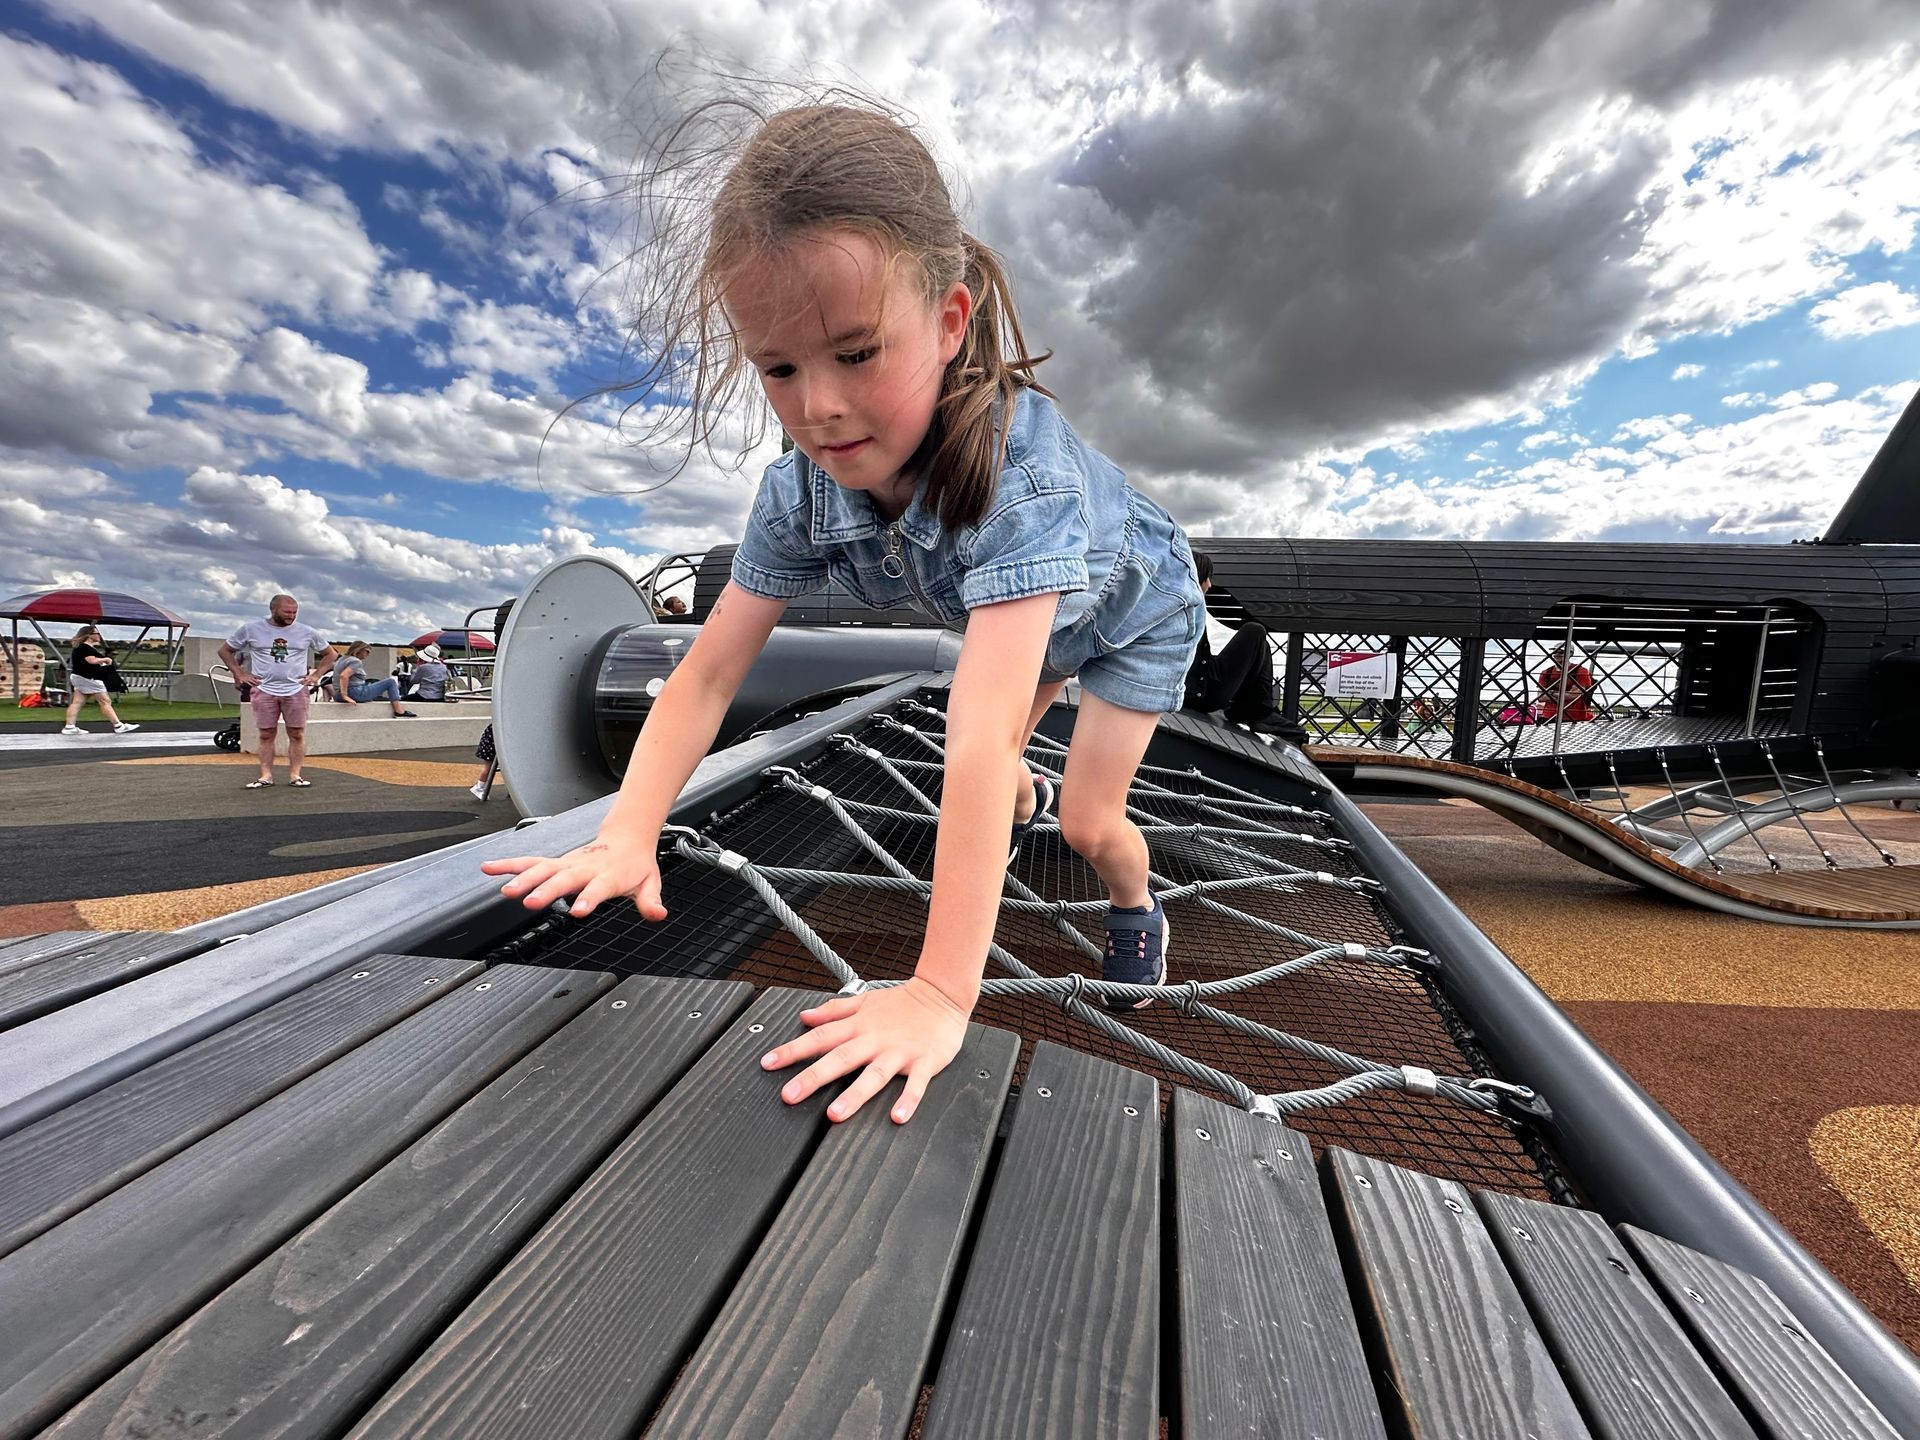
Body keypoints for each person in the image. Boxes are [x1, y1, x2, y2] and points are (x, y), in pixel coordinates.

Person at [483, 100, 1204, 1127]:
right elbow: (707, 672)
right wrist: (628, 829)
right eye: (778, 367)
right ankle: (1028, 805)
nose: (817, 404)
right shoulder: (800, 494)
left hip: (1133, 612)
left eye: (858, 353)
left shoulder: (1018, 483)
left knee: (1087, 818)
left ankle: (1138, 911)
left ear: (950, 323)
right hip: (1043, 618)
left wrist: (943, 993)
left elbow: (983, 728)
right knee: (996, 782)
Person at [219, 593, 335, 789]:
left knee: (297, 733)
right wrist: (239, 674)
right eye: (287, 612)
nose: (291, 616)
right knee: (266, 733)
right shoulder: (251, 629)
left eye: (294, 612)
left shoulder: (306, 631)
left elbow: (330, 654)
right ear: (273, 610)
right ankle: (266, 775)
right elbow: (225, 651)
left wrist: (315, 676)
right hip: (264, 689)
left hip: (295, 689)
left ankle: (295, 775)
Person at [1181, 552, 1297, 739]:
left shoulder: (1176, 605)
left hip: (1196, 687)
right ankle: (1258, 713)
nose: (1209, 585)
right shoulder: (1191, 605)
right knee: (1254, 630)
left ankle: (1256, 711)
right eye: (1206, 577)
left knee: (1261, 645)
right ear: (1195, 577)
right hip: (1201, 695)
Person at [60, 625, 139, 735]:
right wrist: (105, 659)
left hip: (78, 677)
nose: (99, 636)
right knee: (105, 701)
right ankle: (118, 725)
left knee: (77, 702)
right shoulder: (85, 648)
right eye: (96, 633)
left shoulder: (81, 647)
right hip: (89, 677)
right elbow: (91, 660)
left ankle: (69, 727)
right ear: (89, 635)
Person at [331, 642, 416, 717]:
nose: (368, 654)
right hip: (354, 693)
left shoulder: (341, 660)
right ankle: (399, 711)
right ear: (359, 650)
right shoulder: (355, 661)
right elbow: (344, 676)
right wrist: (345, 695)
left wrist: (341, 695)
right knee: (390, 682)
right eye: (367, 651)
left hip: (338, 695)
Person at [1535, 645, 1597, 723]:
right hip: (1549, 717)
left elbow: (1574, 696)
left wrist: (1551, 692)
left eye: (1561, 652)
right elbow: (1540, 697)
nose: (1557, 654)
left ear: (1570, 654)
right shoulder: (1546, 672)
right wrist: (1565, 695)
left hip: (1575, 717)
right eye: (1555, 651)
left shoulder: (1580, 671)